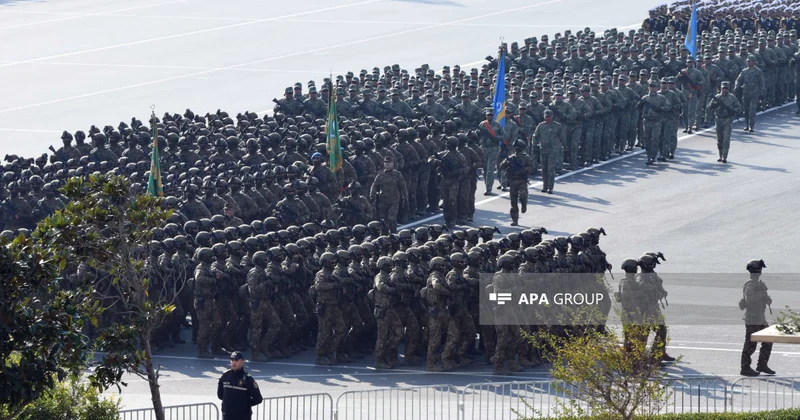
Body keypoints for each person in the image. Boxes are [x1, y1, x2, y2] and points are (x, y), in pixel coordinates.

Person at [740, 259, 775, 377]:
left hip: (760, 317)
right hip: (752, 317)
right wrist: (762, 294)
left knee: (768, 339)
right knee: (750, 343)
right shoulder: (749, 284)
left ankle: (762, 364)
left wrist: (767, 298)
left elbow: (765, 297)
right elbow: (750, 299)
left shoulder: (760, 284)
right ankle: (745, 367)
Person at [217, 351, 263, 420]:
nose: (233, 362)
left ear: (242, 362)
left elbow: (258, 399)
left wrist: (244, 404)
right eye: (232, 360)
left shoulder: (248, 379)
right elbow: (220, 395)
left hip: (242, 417)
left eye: (236, 360)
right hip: (227, 416)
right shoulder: (225, 376)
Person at [707, 81, 743, 163]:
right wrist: (714, 104)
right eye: (723, 88)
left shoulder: (732, 97)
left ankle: (724, 156)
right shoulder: (717, 97)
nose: (725, 90)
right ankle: (720, 155)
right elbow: (709, 107)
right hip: (718, 119)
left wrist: (733, 111)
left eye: (726, 88)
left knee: (726, 139)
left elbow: (739, 108)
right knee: (720, 139)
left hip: (728, 120)